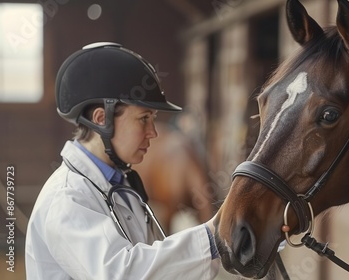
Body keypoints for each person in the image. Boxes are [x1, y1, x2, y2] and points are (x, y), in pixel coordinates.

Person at [25, 42, 220, 279]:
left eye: (153, 118)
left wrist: (228, 242)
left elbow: (156, 267)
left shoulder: (122, 185)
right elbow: (123, 273)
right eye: (143, 119)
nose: (153, 132)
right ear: (101, 119)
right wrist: (211, 238)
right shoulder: (67, 200)